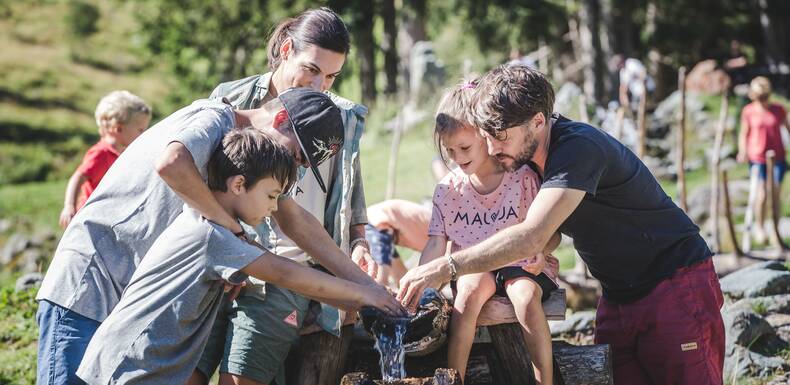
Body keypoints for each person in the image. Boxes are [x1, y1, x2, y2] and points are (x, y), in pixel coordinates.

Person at [36, 87, 401, 385]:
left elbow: (295, 220)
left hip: (132, 301)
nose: (294, 168)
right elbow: (171, 163)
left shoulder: (252, 166)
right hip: (91, 283)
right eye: (296, 154)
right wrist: (236, 236)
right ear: (279, 119)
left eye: (303, 165)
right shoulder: (213, 120)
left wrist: (370, 289)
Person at [398, 65, 724, 385]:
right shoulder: (523, 158)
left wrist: (448, 266)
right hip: (618, 294)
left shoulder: (577, 150)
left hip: (674, 284)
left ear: (538, 122)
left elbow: (531, 236)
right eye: (487, 138)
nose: (494, 149)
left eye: (501, 137)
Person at [195, 8, 376, 385]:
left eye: (331, 76)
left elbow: (351, 205)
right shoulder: (230, 100)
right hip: (223, 264)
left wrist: (359, 245)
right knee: (187, 373)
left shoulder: (339, 119)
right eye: (312, 69)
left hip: (291, 273)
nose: (319, 86)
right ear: (287, 49)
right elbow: (201, 186)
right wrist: (232, 241)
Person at [419, 81, 560, 384]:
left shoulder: (521, 176)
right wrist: (421, 283)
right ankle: (452, 378)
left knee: (523, 296)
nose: (457, 157)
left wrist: (542, 250)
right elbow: (435, 243)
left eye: (465, 148)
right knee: (467, 295)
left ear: (485, 134)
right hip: (473, 265)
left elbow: (552, 233)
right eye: (450, 150)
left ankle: (543, 380)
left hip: (522, 265)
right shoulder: (448, 190)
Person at [59, 90, 151, 228]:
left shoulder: (124, 154)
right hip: (89, 220)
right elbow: (78, 176)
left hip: (108, 217)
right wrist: (69, 206)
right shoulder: (101, 153)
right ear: (118, 128)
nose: (144, 134)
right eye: (140, 130)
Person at [737, 76, 790, 251]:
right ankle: (760, 227)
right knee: (761, 194)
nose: (762, 99)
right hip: (758, 158)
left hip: (778, 158)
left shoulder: (779, 110)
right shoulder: (749, 111)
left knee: (775, 194)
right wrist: (743, 151)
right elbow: (744, 133)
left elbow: (787, 129)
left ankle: (775, 229)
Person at [366, 199, 432, 286]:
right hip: (377, 221)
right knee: (381, 281)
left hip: (387, 223)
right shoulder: (446, 238)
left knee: (402, 279)